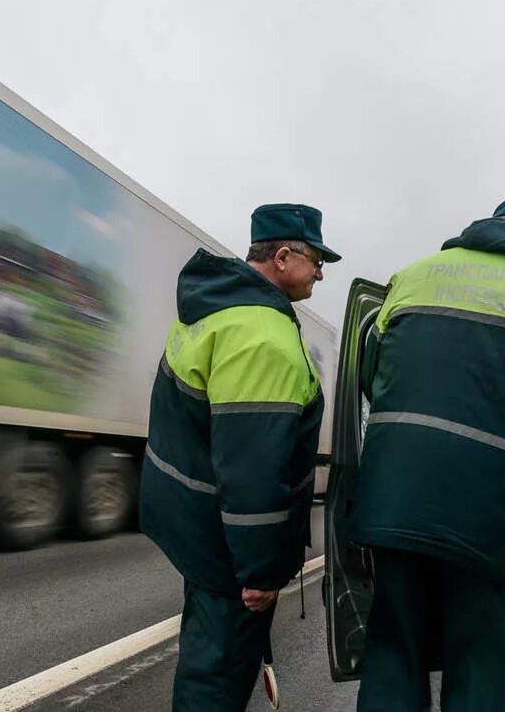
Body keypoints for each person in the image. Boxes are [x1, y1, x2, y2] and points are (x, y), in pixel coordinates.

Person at [350, 198, 505, 711]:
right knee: (484, 662)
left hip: (394, 498)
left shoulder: (414, 276)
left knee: (394, 649)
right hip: (493, 516)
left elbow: (371, 377)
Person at [140, 203, 340, 711]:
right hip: (229, 547)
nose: (321, 272)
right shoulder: (261, 337)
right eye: (316, 260)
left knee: (206, 662)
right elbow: (253, 466)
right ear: (283, 256)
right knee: (217, 680)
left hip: (201, 528)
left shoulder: (215, 311)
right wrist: (260, 570)